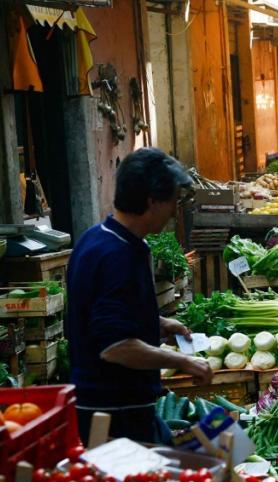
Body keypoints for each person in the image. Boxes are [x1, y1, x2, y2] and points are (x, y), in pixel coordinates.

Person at [67, 148, 214, 444]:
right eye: (173, 200)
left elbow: (102, 313)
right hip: (114, 416)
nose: (175, 210)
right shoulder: (116, 255)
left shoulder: (98, 237)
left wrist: (156, 322)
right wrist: (182, 362)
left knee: (203, 446)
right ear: (151, 201)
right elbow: (114, 346)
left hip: (123, 407)